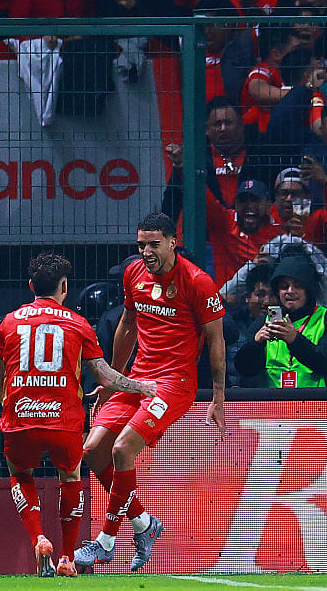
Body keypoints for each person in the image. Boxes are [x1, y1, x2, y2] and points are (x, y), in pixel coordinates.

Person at [75, 212, 226, 572]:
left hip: (174, 383)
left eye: (153, 244)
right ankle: (144, 523)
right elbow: (128, 325)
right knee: (92, 452)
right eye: (141, 244)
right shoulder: (133, 274)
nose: (146, 251)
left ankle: (105, 542)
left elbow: (217, 340)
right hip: (138, 376)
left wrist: (218, 395)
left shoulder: (197, 281)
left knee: (122, 448)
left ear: (172, 243)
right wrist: (112, 378)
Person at [0, 251, 156, 577]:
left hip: (20, 417)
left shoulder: (9, 322)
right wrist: (139, 386)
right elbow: (105, 376)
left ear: (30, 285)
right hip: (63, 420)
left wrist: (3, 399)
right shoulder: (78, 324)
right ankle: (67, 557)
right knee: (71, 479)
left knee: (21, 476)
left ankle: (39, 538)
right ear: (64, 287)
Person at [234, 253, 327, 388]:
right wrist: (256, 344)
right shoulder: (265, 321)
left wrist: (295, 340)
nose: (290, 291)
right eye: (284, 286)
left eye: (297, 286)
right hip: (273, 405)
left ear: (308, 289)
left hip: (318, 404)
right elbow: (245, 369)